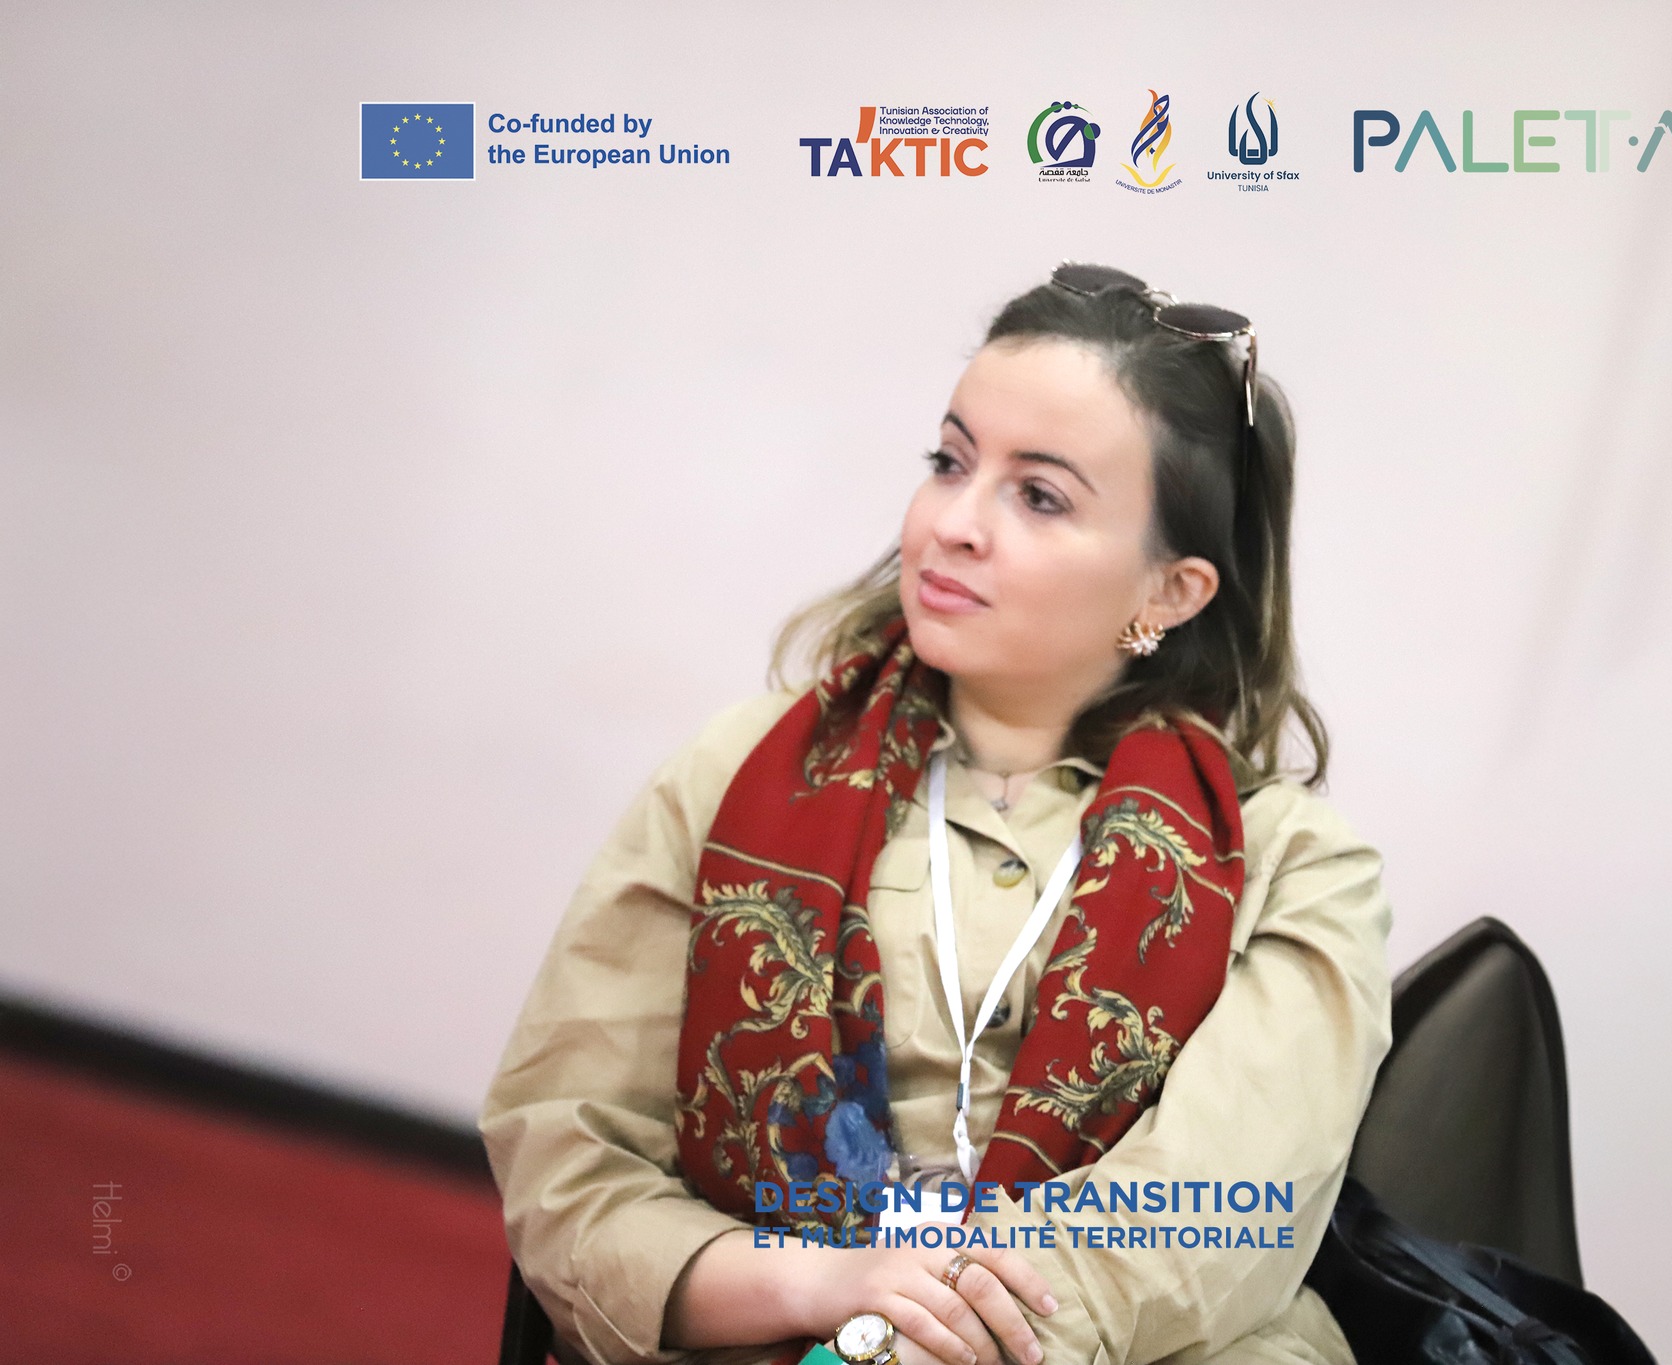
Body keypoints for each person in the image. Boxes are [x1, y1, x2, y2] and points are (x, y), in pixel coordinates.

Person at [478, 263, 1395, 1365]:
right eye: (950, 463)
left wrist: (908, 1346)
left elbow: (1208, 1225)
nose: (954, 523)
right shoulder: (739, 774)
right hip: (781, 1330)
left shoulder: (1293, 865)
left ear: (1169, 592)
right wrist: (824, 1288)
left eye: (1039, 496)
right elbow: (571, 1163)